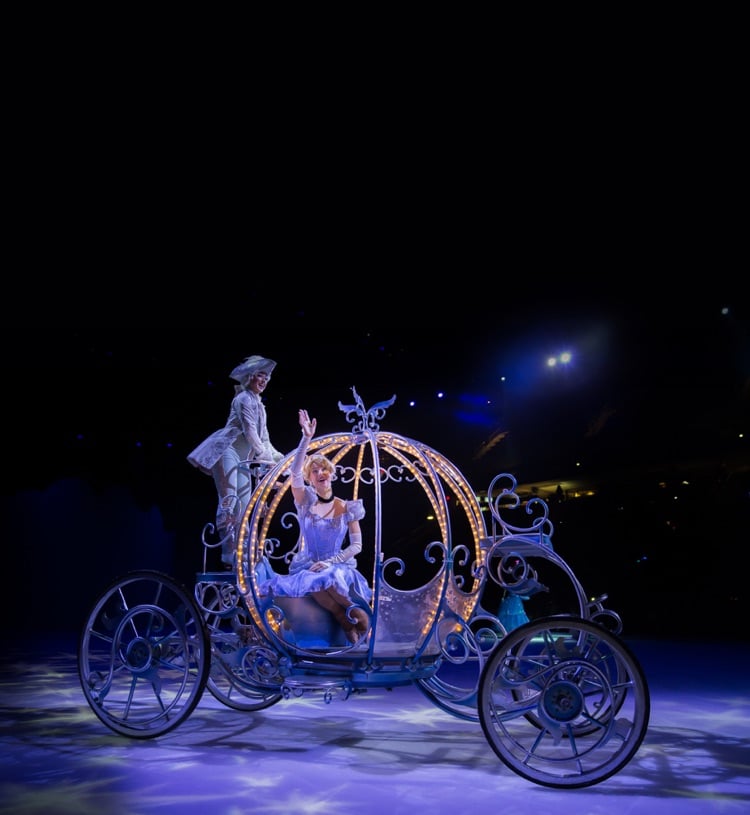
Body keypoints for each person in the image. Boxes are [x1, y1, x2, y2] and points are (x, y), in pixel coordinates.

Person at [258, 409, 371, 644]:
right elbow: (294, 472)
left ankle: (364, 631)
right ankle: (345, 626)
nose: (321, 473)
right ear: (310, 479)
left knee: (335, 587)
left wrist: (331, 562)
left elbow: (357, 545)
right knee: (317, 582)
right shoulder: (306, 502)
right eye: (315, 471)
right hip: (310, 566)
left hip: (336, 566)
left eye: (324, 469)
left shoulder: (347, 507)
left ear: (332, 474)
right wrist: (306, 438)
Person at [187, 355, 284, 547]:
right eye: (260, 375)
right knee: (230, 501)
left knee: (245, 506)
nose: (264, 381)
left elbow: (264, 438)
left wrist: (280, 459)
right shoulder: (242, 399)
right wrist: (265, 459)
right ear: (250, 376)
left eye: (267, 377)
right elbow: (249, 431)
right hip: (227, 451)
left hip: (244, 458)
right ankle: (228, 551)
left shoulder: (260, 406)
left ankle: (242, 549)